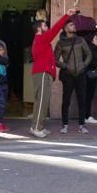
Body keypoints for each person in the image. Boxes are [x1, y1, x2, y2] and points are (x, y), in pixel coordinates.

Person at [30, 9, 75, 138]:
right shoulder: (41, 38)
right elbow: (55, 29)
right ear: (39, 29)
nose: (47, 27)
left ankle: (37, 126)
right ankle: (37, 127)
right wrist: (66, 15)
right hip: (42, 73)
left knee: (42, 101)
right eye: (44, 25)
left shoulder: (41, 40)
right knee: (42, 101)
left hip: (44, 73)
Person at [55, 18, 93, 134]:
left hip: (81, 74)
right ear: (65, 28)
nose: (73, 26)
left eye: (73, 25)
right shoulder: (61, 43)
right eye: (71, 25)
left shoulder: (80, 40)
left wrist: (83, 65)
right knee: (66, 100)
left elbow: (89, 54)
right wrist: (65, 66)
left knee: (82, 100)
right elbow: (55, 59)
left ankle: (82, 125)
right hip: (68, 75)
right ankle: (65, 125)